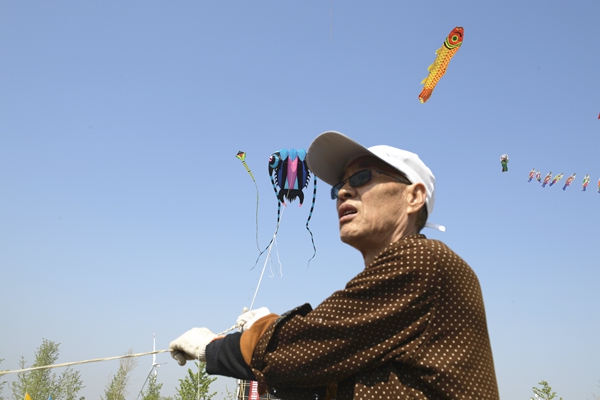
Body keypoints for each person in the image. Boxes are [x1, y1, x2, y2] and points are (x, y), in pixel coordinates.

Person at [170, 131, 500, 399]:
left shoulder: (423, 263)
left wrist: (213, 347)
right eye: (339, 185)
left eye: (362, 176)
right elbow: (314, 374)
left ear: (413, 197)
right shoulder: (394, 290)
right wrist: (266, 332)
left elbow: (299, 349)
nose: (343, 191)